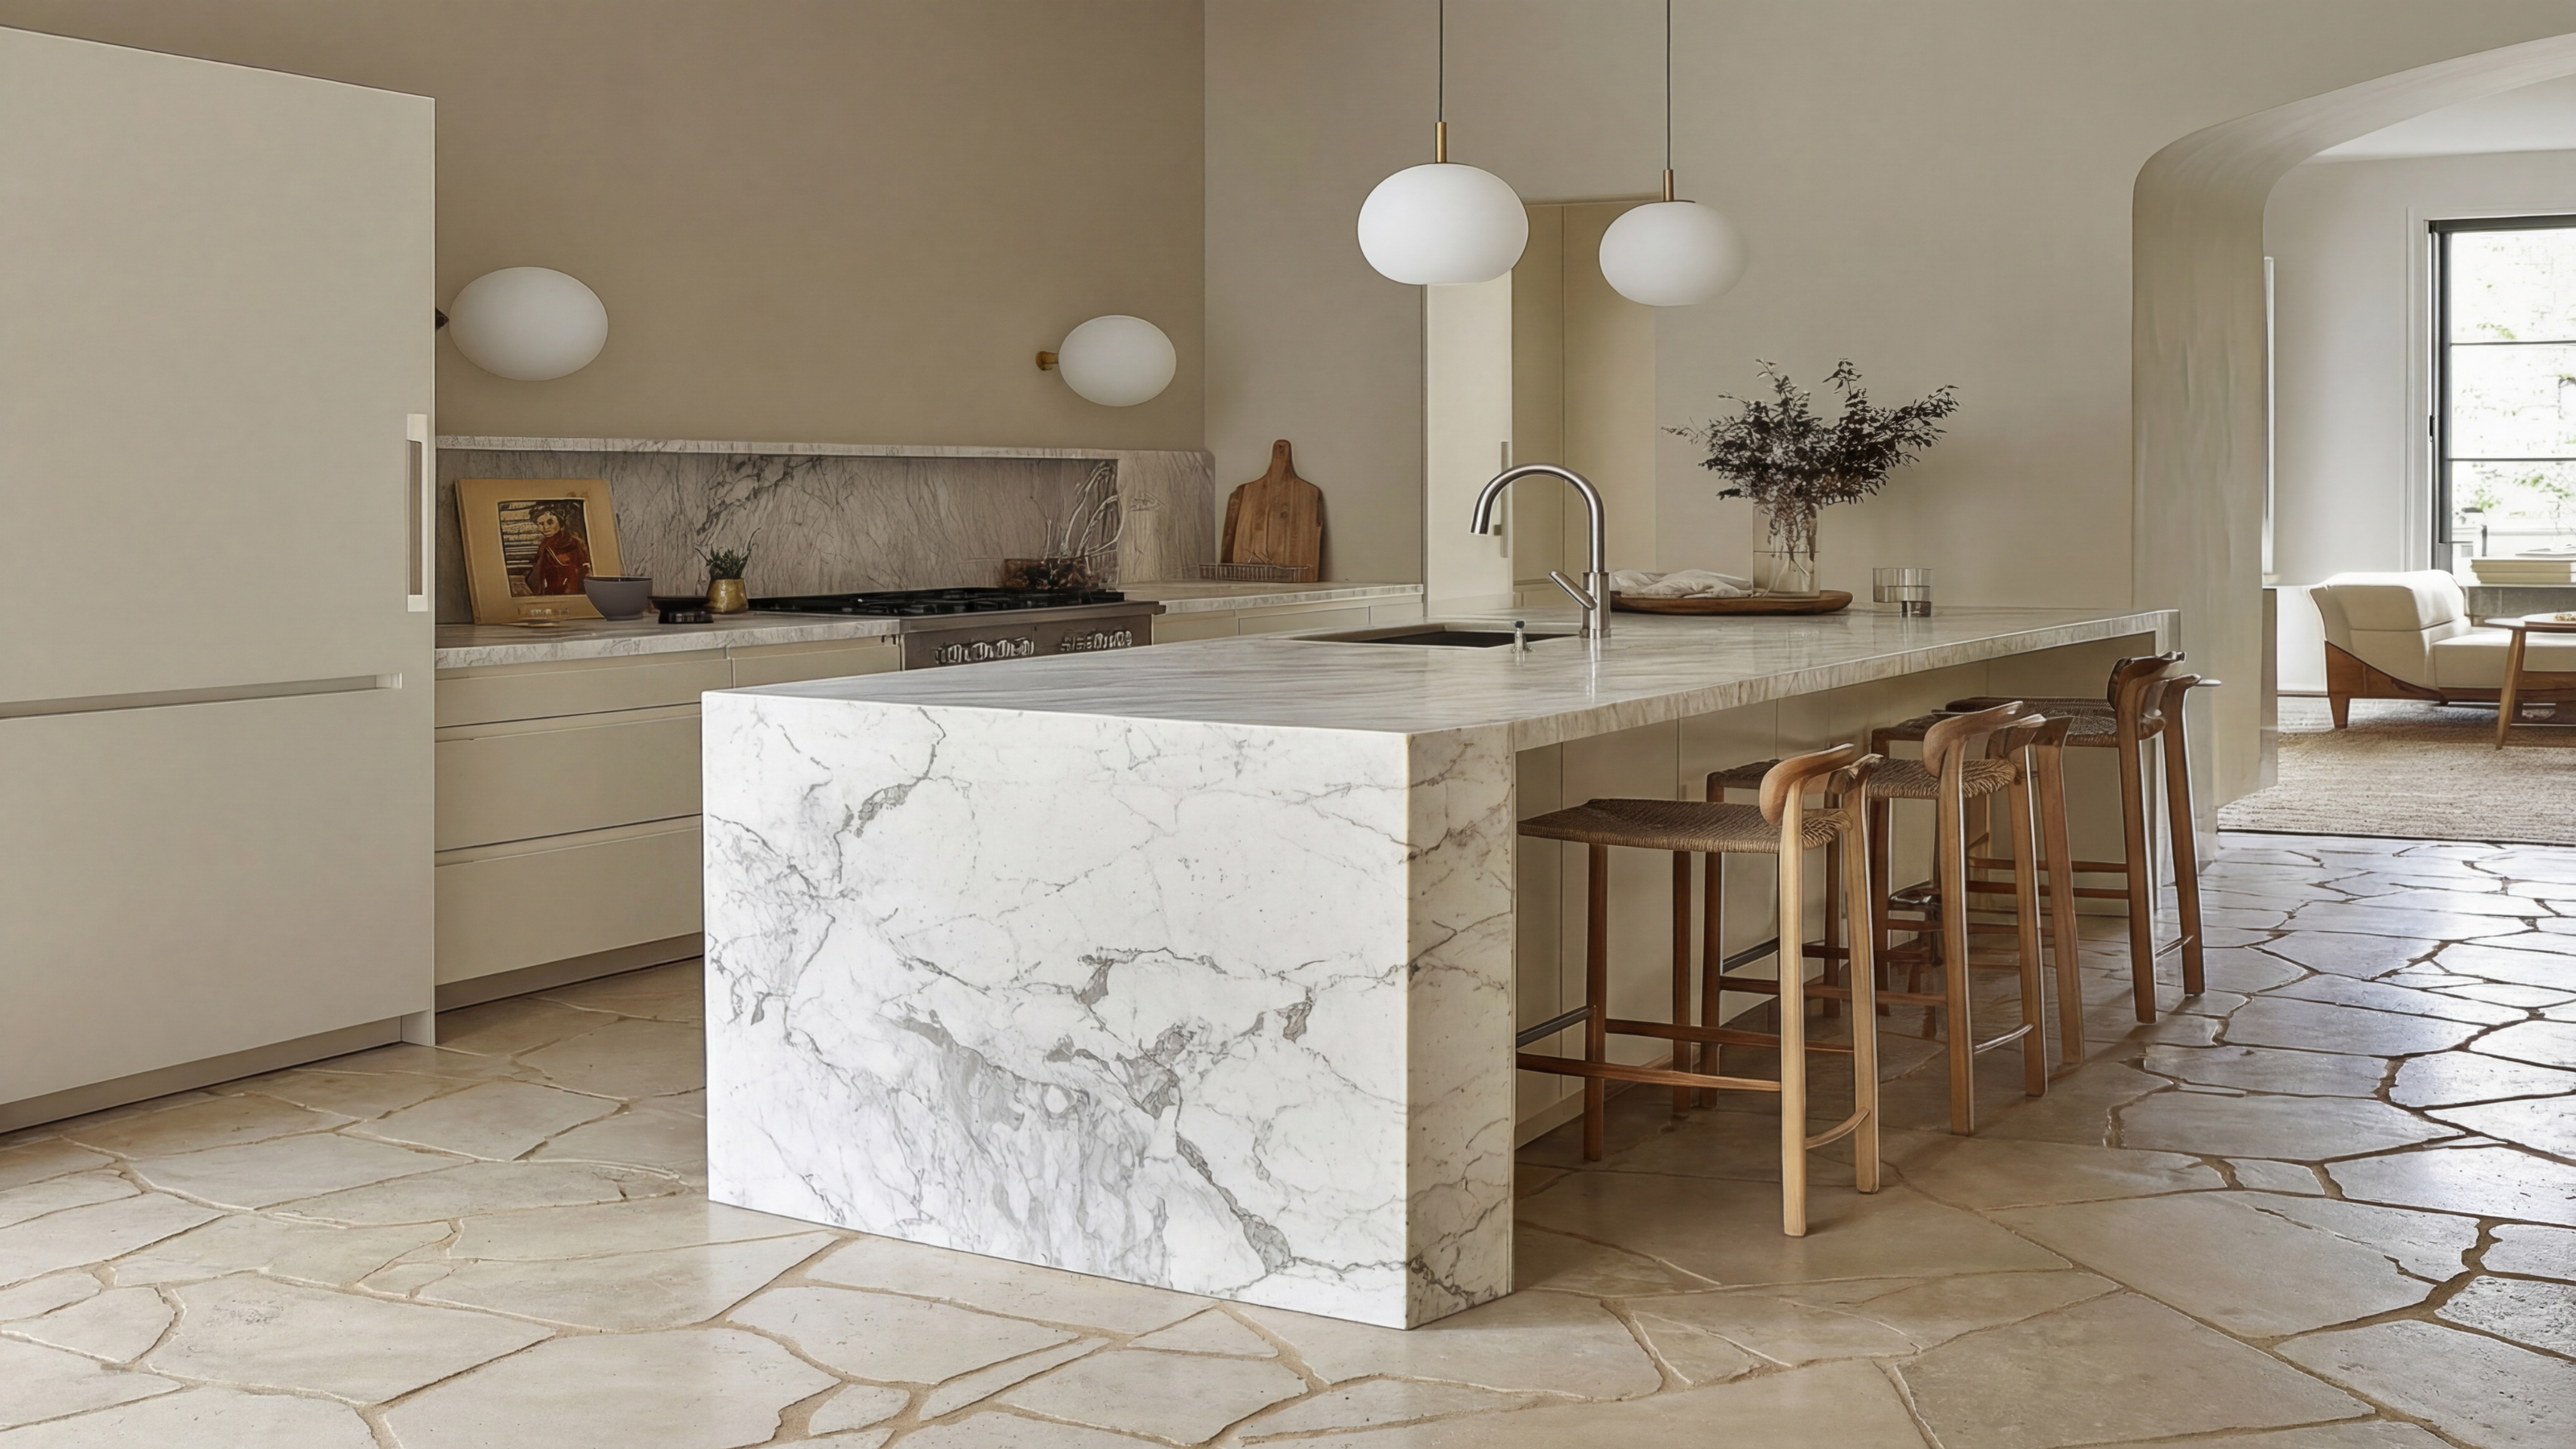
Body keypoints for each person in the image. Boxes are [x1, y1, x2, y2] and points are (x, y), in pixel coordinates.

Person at [522, 507, 591, 595]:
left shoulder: (575, 543)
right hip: (550, 590)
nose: (546, 527)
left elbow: (586, 568)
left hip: (571, 590)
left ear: (560, 522)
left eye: (550, 522)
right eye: (541, 524)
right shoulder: (544, 545)